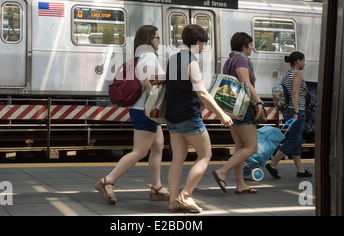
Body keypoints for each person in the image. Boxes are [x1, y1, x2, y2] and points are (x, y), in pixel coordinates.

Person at [95, 25, 169, 204]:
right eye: (157, 38)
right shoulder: (150, 57)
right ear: (149, 40)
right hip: (146, 110)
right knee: (140, 151)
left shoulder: (139, 57)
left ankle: (156, 187)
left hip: (141, 109)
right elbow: (153, 82)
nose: (160, 41)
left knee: (158, 146)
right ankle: (108, 181)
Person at [165, 24, 233, 213]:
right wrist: (222, 114)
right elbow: (202, 93)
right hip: (188, 115)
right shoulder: (191, 62)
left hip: (172, 116)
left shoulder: (172, 59)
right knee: (205, 155)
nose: (203, 47)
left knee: (178, 158)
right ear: (197, 42)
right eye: (202, 43)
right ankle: (185, 195)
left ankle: (173, 200)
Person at [212, 32, 264, 194]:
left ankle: (240, 184)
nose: (252, 49)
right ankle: (222, 171)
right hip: (243, 108)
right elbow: (245, 82)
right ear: (244, 46)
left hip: (232, 108)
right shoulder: (241, 59)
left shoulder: (229, 61)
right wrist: (259, 102)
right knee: (252, 146)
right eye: (250, 45)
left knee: (240, 146)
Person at [265, 51, 312, 178]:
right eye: (303, 60)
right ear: (297, 61)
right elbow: (295, 93)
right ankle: (273, 164)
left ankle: (300, 170)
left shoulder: (286, 75)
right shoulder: (298, 73)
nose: (304, 63)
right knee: (293, 140)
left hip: (287, 109)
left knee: (296, 140)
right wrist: (297, 112)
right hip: (295, 110)